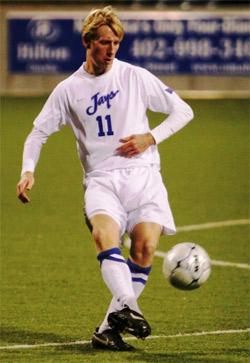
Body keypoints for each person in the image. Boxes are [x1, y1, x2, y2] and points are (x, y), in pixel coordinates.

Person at [16, 6, 194, 351]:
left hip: (144, 177)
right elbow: (37, 134)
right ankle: (129, 306)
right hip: (102, 180)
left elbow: (184, 110)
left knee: (144, 248)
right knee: (104, 236)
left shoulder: (135, 76)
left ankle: (107, 328)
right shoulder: (69, 90)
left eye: (116, 42)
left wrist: (150, 137)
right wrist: (28, 170)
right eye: (104, 42)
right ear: (87, 42)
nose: (111, 49)